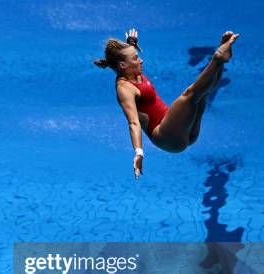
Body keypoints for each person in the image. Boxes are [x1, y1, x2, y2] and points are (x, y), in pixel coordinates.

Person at [94, 29, 239, 179]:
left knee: (204, 93)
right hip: (166, 136)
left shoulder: (130, 69)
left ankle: (221, 61)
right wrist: (139, 152)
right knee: (189, 94)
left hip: (182, 132)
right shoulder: (124, 89)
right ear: (123, 66)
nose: (141, 60)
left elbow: (123, 56)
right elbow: (133, 123)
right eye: (136, 58)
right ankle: (218, 57)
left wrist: (131, 44)